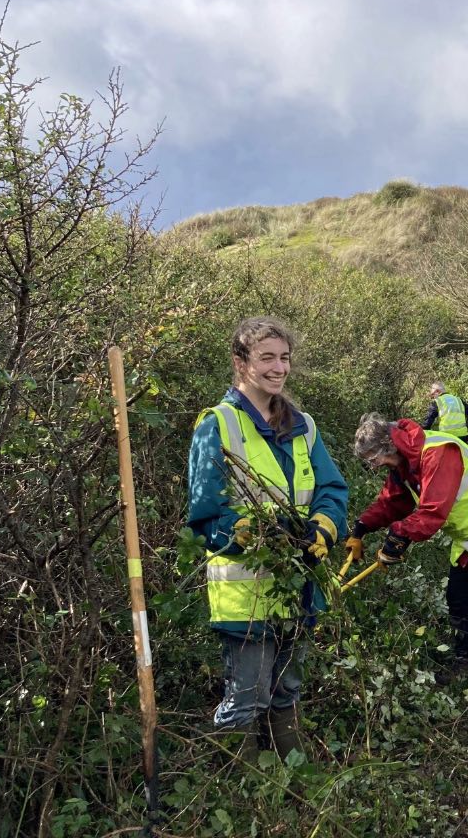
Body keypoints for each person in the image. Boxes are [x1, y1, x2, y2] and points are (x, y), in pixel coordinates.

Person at [187, 316, 349, 762]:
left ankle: (291, 770)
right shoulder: (216, 425)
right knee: (248, 694)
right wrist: (242, 533)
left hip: (300, 585)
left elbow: (332, 489)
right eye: (267, 358)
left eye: (284, 358)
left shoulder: (304, 425)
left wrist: (325, 526)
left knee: (288, 687)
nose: (278, 368)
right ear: (241, 363)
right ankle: (237, 792)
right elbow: (204, 515)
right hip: (246, 593)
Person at [346, 413, 468, 712]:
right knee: (457, 596)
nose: (374, 466)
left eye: (374, 459)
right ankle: (466, 662)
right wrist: (361, 527)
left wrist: (399, 536)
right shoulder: (406, 462)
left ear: (388, 446)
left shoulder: (438, 452)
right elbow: (394, 501)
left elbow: (431, 512)